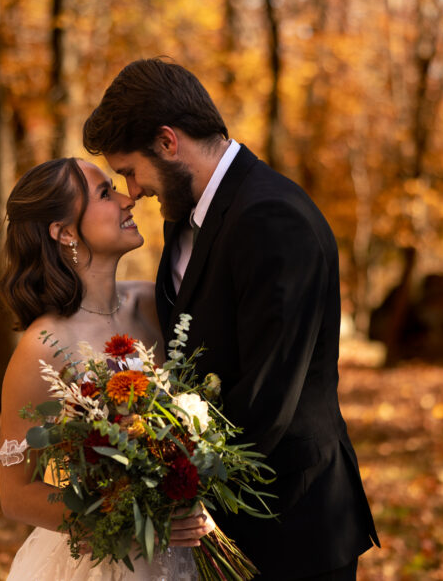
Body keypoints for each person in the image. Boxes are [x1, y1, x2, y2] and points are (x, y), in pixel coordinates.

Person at [83, 58, 380, 580]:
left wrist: (172, 480)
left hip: (291, 521)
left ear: (168, 142)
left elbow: (270, 394)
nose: (132, 190)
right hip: (219, 521)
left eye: (130, 170)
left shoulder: (272, 217)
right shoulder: (189, 214)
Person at [0, 157, 212, 580]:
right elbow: (16, 496)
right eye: (105, 193)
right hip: (106, 561)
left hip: (186, 554)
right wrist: (134, 520)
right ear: (64, 231)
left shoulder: (154, 303)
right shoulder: (42, 347)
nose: (129, 199)